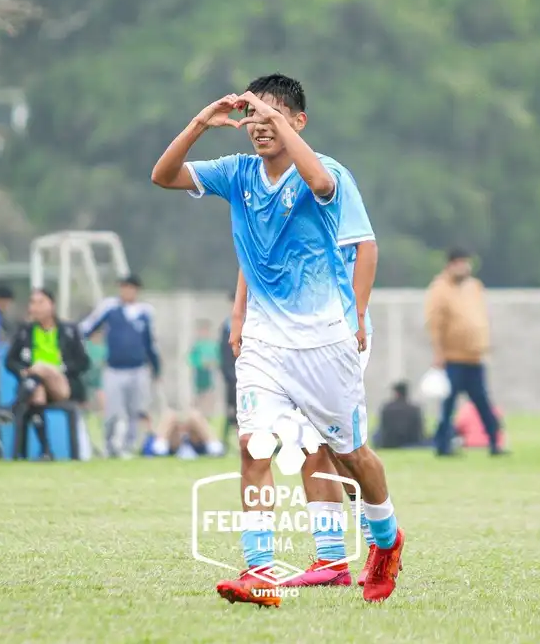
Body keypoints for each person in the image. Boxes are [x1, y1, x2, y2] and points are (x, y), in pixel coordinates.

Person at [152, 73, 404, 606]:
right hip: (266, 343)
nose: (258, 128)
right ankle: (260, 571)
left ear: (297, 121)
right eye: (252, 119)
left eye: (272, 117)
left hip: (326, 339)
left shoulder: (328, 171)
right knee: (252, 446)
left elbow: (325, 194)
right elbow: (163, 176)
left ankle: (386, 540)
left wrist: (357, 315)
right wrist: (202, 121)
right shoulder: (236, 174)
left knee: (347, 453)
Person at [229, 167, 381, 589]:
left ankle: (376, 542)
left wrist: (359, 316)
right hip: (279, 337)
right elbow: (254, 257)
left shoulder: (328, 179)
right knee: (303, 444)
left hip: (335, 332)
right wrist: (239, 313)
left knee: (338, 450)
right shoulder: (260, 187)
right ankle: (330, 560)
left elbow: (366, 248)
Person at [425, 247, 506, 457]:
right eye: (460, 263)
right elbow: (435, 324)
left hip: (474, 357)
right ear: (450, 264)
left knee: (482, 402)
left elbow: (480, 317)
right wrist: (438, 353)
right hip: (452, 358)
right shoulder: (440, 289)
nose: (464, 267)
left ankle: (495, 441)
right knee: (448, 404)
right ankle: (442, 445)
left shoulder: (474, 287)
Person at [79, 275, 161, 458]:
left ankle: (128, 446)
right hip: (114, 369)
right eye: (124, 287)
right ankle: (109, 446)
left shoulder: (145, 313)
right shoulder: (110, 308)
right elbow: (87, 327)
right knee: (112, 412)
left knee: (135, 411)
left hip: (138, 369)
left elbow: (151, 344)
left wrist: (156, 368)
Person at [5, 289, 90, 460]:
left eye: (40, 302)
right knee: (37, 393)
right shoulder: (25, 331)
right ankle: (46, 450)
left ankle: (17, 403)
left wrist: (61, 369)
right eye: (32, 303)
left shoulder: (69, 330)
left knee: (41, 368)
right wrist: (22, 371)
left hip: (62, 384)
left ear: (52, 305)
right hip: (36, 385)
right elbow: (10, 361)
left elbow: (83, 362)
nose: (35, 307)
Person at [142, 407, 224, 458]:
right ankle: (160, 447)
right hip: (171, 448)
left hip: (196, 447)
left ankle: (214, 445)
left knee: (194, 416)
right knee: (170, 415)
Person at [375, 382, 426, 449]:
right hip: (411, 442)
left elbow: (383, 429)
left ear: (396, 393)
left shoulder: (387, 408)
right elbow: (419, 432)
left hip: (388, 443)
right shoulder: (415, 409)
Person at [219, 293, 238, 449]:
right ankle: (226, 442)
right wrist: (229, 375)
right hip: (232, 377)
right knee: (232, 410)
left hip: (250, 376)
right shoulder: (227, 326)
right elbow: (224, 354)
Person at [189, 320, 219, 419]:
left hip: (209, 376)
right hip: (199, 376)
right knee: (198, 399)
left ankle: (208, 418)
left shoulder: (213, 345)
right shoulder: (196, 346)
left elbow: (219, 359)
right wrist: (200, 363)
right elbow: (191, 359)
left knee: (209, 399)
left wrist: (211, 363)